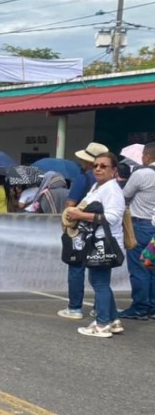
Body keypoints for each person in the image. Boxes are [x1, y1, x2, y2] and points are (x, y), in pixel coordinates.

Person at [64, 152, 125, 337]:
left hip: (104, 242)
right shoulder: (98, 187)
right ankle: (113, 320)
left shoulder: (112, 190)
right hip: (96, 240)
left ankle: (102, 324)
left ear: (114, 170)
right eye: (96, 165)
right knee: (99, 281)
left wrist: (80, 215)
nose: (98, 168)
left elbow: (113, 218)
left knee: (99, 282)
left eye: (103, 166)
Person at [58, 142, 109, 320]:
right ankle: (99, 308)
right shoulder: (109, 182)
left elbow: (70, 204)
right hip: (101, 230)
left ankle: (75, 307)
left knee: (76, 267)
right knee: (99, 272)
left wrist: (67, 221)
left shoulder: (84, 178)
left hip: (80, 229)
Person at [119, 142, 155, 320]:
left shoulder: (142, 174)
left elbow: (124, 195)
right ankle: (152, 306)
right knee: (152, 268)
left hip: (141, 225)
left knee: (139, 268)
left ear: (147, 157)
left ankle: (140, 306)